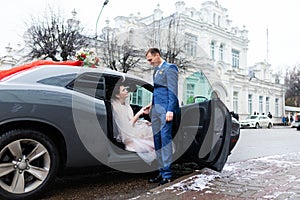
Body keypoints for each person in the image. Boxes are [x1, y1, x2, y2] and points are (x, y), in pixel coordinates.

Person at [145, 48, 179, 186]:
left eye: (150, 59)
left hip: (165, 110)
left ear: (157, 55)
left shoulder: (170, 68)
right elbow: (157, 91)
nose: (149, 62)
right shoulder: (155, 70)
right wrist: (151, 105)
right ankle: (160, 172)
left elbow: (173, 90)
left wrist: (170, 110)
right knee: (157, 141)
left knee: (165, 141)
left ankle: (167, 174)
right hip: (156, 111)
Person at [111, 84, 156, 164]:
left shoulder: (126, 104)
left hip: (131, 128)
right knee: (151, 131)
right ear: (118, 95)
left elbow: (131, 120)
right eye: (124, 90)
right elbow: (126, 127)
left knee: (149, 126)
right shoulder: (116, 107)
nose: (127, 91)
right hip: (126, 133)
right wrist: (139, 114)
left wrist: (143, 121)